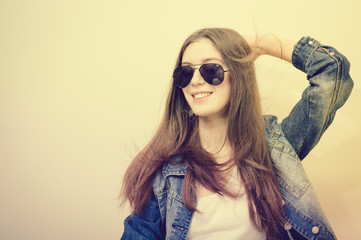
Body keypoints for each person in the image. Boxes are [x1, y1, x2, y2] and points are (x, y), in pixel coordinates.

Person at [119, 28, 353, 240]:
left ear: (238, 75)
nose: (196, 81)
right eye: (186, 73)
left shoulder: (275, 147)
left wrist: (260, 44)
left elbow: (333, 73)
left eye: (211, 70)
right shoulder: (164, 171)